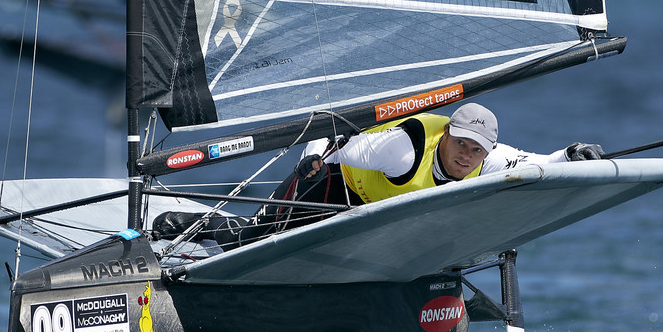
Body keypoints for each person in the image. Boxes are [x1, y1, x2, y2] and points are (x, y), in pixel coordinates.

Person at [152, 102, 603, 250]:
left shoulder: (487, 159)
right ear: (446, 133)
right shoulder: (403, 147)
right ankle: (197, 226)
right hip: (333, 182)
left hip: (374, 215)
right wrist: (310, 165)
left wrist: (572, 153)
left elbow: (536, 162)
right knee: (251, 240)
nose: (467, 155)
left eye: (476, 149)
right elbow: (334, 139)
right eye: (461, 143)